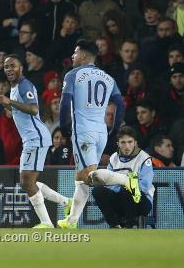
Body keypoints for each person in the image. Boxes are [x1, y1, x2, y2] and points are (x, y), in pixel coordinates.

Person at [0, 54, 70, 228]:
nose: (9, 69)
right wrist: (1, 97)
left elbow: (33, 109)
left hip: (36, 138)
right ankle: (66, 203)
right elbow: (16, 109)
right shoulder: (15, 87)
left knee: (26, 182)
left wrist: (9, 100)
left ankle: (47, 222)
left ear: (21, 68)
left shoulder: (25, 85)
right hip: (30, 139)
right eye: (6, 66)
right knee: (27, 182)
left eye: (13, 66)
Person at [57, 40, 125, 229]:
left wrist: (64, 127)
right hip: (101, 130)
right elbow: (121, 104)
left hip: (83, 130)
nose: (72, 56)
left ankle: (127, 180)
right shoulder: (108, 78)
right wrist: (114, 128)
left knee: (89, 175)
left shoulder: (72, 75)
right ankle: (71, 221)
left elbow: (64, 103)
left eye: (75, 52)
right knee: (81, 177)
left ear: (84, 56)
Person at [90, 126, 154, 228]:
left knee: (127, 188)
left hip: (142, 202)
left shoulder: (144, 158)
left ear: (135, 143)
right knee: (98, 190)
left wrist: (125, 185)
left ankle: (130, 224)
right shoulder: (113, 158)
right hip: (120, 198)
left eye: (130, 142)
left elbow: (145, 186)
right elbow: (107, 183)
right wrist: (120, 188)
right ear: (118, 144)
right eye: (123, 142)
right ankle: (114, 225)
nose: (127, 146)